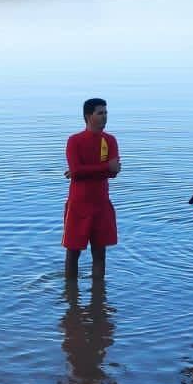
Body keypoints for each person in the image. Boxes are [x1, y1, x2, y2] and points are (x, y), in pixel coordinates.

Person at [63, 98, 119, 278]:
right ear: (88, 116)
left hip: (101, 203)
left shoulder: (110, 140)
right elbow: (77, 170)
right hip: (79, 204)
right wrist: (101, 169)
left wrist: (81, 172)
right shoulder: (75, 141)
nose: (104, 117)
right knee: (73, 253)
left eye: (106, 113)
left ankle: (98, 297)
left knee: (100, 253)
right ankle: (71, 298)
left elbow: (114, 172)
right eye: (100, 113)